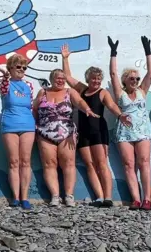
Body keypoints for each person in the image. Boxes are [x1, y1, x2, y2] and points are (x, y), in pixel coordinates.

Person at [60, 44, 131, 208]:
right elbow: (67, 77)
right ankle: (99, 197)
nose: (96, 81)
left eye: (99, 79)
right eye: (94, 78)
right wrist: (65, 58)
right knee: (90, 164)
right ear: (88, 79)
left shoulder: (102, 93)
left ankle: (108, 197)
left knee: (101, 164)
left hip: (99, 131)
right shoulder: (82, 90)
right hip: (83, 132)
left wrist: (120, 115)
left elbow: (112, 105)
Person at [34, 68, 100, 207]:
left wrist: (87, 109)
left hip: (66, 132)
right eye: (58, 78)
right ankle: (55, 196)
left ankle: (69, 196)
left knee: (68, 163)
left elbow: (80, 102)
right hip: (45, 131)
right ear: (51, 79)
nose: (60, 81)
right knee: (49, 163)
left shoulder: (70, 92)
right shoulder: (43, 92)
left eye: (63, 79)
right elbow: (34, 108)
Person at [108, 36, 151, 210]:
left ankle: (147, 199)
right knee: (129, 165)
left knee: (144, 161)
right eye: (132, 78)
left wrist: (147, 51)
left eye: (137, 78)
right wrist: (113, 53)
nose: (135, 81)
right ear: (125, 80)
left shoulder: (143, 91)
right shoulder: (120, 93)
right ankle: (135, 199)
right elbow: (113, 74)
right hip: (125, 131)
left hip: (142, 130)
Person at [0, 54, 36, 210]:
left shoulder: (29, 85)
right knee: (14, 161)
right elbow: (4, 82)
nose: (21, 70)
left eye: (24, 67)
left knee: (25, 161)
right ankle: (15, 197)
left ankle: (25, 197)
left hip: (27, 124)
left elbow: (31, 105)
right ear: (11, 68)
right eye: (18, 66)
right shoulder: (5, 83)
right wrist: (6, 76)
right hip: (10, 124)